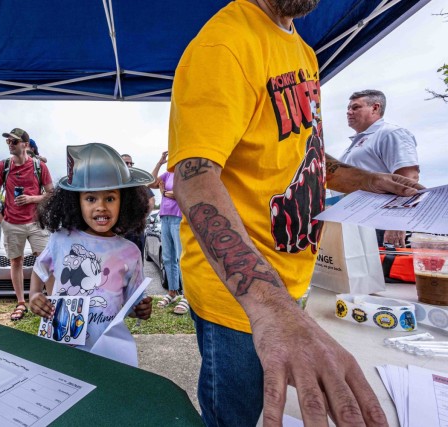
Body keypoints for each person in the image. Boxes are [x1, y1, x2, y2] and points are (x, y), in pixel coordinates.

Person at [167, 1, 422, 426]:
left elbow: (301, 150)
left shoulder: (301, 50)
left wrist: (366, 180)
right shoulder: (225, 43)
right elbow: (194, 177)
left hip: (289, 279)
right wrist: (270, 306)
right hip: (240, 295)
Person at [29, 142, 153, 352]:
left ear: (125, 201)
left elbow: (131, 305)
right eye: (91, 198)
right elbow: (39, 270)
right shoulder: (60, 239)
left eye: (110, 198)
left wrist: (140, 309)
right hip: (62, 345)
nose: (101, 206)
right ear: (75, 201)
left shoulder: (130, 252)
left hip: (105, 349)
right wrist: (33, 295)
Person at [0, 128, 53, 321]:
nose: (10, 144)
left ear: (25, 144)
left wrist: (32, 198)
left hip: (35, 222)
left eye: (14, 142)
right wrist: (1, 220)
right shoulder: (3, 166)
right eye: (8, 141)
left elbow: (51, 194)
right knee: (16, 261)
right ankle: (21, 303)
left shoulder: (39, 166)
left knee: (46, 261)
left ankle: (51, 301)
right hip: (12, 223)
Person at [341, 89, 420, 247]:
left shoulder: (390, 133)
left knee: (383, 270)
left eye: (355, 107)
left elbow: (409, 179)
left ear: (375, 108)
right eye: (348, 108)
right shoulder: (358, 142)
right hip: (357, 222)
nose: (349, 112)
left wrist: (397, 223)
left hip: (380, 223)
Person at [149, 151, 187, 315]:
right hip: (164, 217)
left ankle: (187, 296)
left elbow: (184, 193)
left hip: (179, 219)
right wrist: (160, 162)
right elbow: (150, 183)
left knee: (181, 258)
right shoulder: (167, 174)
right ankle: (172, 292)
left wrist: (169, 193)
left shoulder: (183, 173)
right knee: (168, 257)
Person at [120, 153, 155, 255]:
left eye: (131, 163)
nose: (129, 165)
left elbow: (151, 200)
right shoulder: (114, 183)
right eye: (126, 163)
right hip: (119, 231)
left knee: (137, 262)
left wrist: (141, 217)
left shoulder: (138, 182)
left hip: (136, 230)